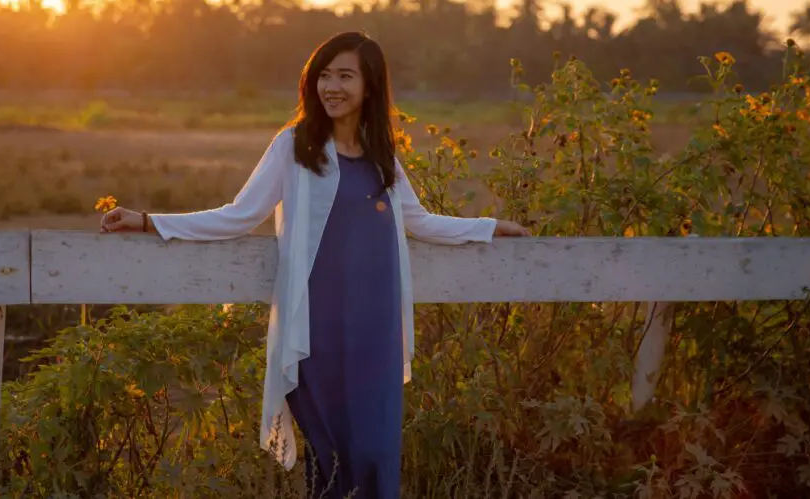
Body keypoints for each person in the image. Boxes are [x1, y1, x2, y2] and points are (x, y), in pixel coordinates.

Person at [100, 31, 530, 498]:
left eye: (345, 76)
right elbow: (240, 216)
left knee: (374, 452)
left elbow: (419, 222)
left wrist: (488, 227)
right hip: (316, 330)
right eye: (324, 75)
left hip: (376, 331)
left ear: (370, 85)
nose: (332, 87)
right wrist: (147, 221)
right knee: (332, 456)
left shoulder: (380, 154)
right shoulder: (295, 146)